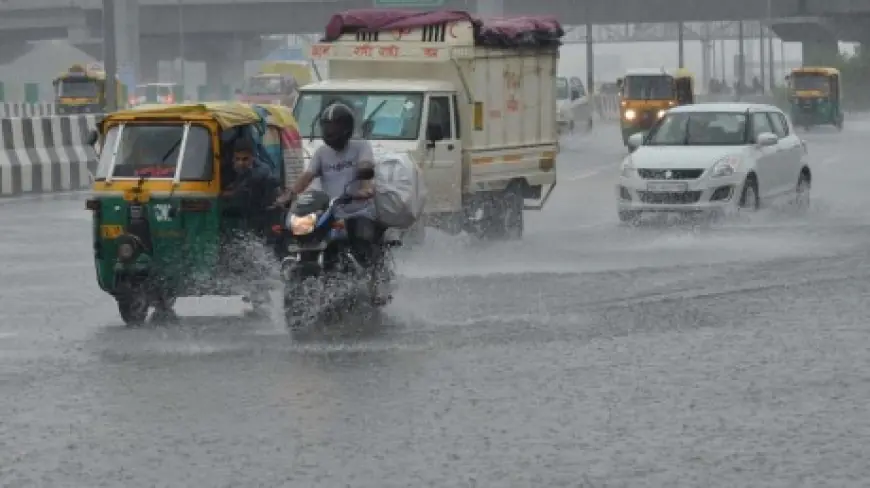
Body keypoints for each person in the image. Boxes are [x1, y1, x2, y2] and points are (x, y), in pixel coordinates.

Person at [275, 102, 389, 305]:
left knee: (363, 241)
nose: (330, 131)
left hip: (358, 209)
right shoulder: (321, 153)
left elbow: (366, 167)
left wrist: (366, 188)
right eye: (326, 127)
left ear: (346, 128)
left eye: (334, 127)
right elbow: (307, 176)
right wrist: (290, 193)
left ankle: (375, 285)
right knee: (301, 234)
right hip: (332, 211)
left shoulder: (360, 146)